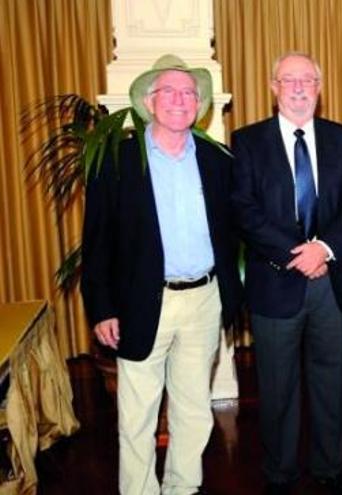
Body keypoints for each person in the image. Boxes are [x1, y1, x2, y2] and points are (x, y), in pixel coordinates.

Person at [81, 54, 242, 494]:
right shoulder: (116, 160)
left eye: (188, 93)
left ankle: (182, 488)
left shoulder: (217, 161)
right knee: (137, 415)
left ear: (199, 105)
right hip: (140, 303)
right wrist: (102, 307)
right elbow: (96, 244)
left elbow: (234, 232)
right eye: (168, 91)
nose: (179, 100)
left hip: (204, 301)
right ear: (150, 102)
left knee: (194, 410)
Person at [231, 52, 342, 495]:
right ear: (273, 87)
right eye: (289, 80)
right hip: (276, 283)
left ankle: (329, 469)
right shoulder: (247, 141)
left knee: (331, 384)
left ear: (320, 87)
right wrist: (298, 254)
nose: (300, 88)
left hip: (332, 283)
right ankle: (280, 475)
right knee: (278, 387)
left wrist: (324, 249)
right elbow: (244, 212)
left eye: (308, 80)